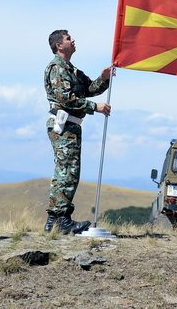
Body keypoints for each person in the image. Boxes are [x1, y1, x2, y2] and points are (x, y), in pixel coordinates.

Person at [43, 29, 113, 234]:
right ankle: (61, 219)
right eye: (67, 38)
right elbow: (65, 99)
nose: (73, 40)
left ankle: (54, 220)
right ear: (58, 45)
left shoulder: (70, 69)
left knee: (66, 172)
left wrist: (104, 77)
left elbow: (90, 88)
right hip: (63, 125)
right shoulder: (56, 68)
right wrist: (94, 107)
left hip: (71, 125)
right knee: (67, 172)